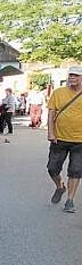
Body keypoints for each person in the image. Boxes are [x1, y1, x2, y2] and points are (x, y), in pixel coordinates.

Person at [46, 66, 82, 213]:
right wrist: (50, 132)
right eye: (70, 75)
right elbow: (51, 113)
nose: (72, 78)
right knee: (52, 168)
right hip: (59, 138)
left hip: (80, 140)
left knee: (76, 170)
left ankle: (70, 200)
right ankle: (60, 186)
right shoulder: (58, 93)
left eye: (76, 76)